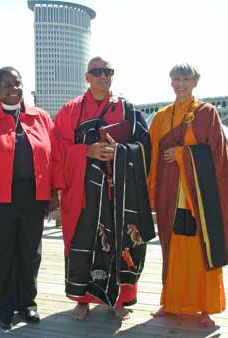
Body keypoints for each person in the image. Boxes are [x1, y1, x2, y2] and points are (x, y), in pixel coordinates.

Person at [54, 56, 155, 321]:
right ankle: (82, 299)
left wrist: (120, 153)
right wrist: (87, 151)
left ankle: (119, 300)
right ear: (87, 76)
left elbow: (145, 146)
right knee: (83, 242)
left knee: (123, 244)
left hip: (120, 194)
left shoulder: (127, 108)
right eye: (97, 72)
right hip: (83, 194)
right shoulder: (70, 110)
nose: (103, 76)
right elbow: (56, 150)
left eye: (107, 71)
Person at [148, 63, 228, 327]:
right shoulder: (161, 117)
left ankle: (206, 307)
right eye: (176, 79)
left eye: (186, 79)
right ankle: (170, 303)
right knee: (173, 247)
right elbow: (150, 155)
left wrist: (182, 154)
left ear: (195, 82)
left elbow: (217, 157)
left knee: (203, 248)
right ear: (171, 82)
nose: (181, 84)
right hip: (170, 191)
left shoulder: (207, 113)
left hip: (199, 196)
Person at [0, 67, 60, 330]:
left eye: (17, 83)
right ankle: (3, 307)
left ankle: (27, 303)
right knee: (0, 254)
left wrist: (53, 192)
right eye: (7, 85)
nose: (14, 89)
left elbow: (53, 157)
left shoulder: (41, 117)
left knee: (30, 253)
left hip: (33, 197)